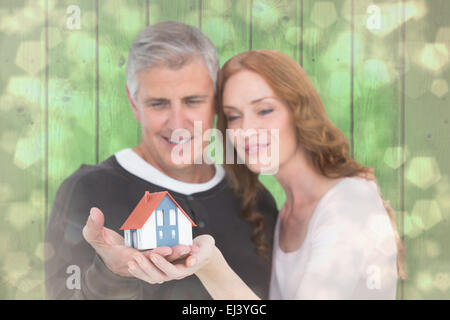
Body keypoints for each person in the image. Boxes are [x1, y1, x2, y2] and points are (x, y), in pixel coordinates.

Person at [128, 50, 407, 299]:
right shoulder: (285, 213)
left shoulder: (349, 203)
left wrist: (212, 267)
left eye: (264, 110)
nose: (246, 129)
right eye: (234, 116)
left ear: (299, 111)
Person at [44, 22, 278, 299]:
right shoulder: (88, 191)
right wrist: (110, 275)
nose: (177, 123)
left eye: (193, 101)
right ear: (134, 104)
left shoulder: (255, 200)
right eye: (158, 104)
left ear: (216, 101)